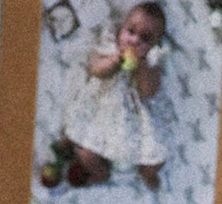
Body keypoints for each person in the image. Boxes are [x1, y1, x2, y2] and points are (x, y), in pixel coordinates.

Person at [50, 2, 170, 189]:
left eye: (145, 39)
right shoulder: (110, 45)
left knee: (159, 156)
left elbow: (148, 92)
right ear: (122, 28)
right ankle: (100, 173)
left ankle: (147, 171)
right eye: (131, 31)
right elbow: (95, 70)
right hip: (101, 115)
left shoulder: (152, 61)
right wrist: (114, 61)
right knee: (84, 152)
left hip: (134, 123)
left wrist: (141, 66)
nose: (134, 41)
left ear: (155, 45)